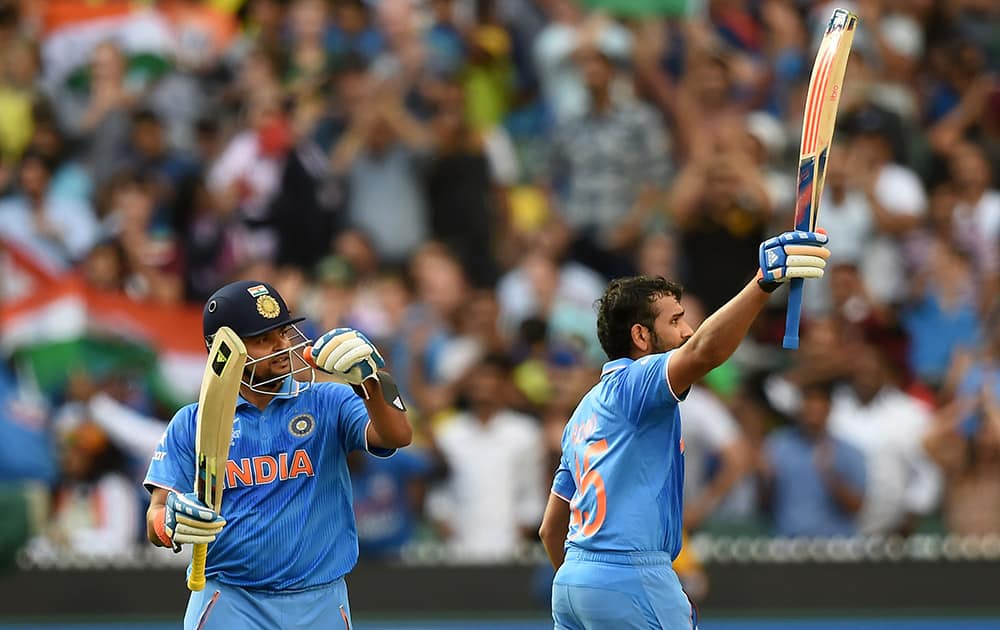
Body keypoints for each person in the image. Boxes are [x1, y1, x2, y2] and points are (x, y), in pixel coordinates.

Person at [537, 229, 830, 629]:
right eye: (675, 321)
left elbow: (551, 528)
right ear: (640, 336)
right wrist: (765, 281)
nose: (687, 330)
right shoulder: (637, 382)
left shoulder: (582, 413)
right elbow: (705, 351)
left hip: (573, 583)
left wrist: (587, 586)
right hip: (632, 572)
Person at [143, 280, 412, 629]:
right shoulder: (191, 422)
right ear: (225, 350)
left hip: (321, 600)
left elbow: (398, 435)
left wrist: (371, 381)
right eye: (263, 339)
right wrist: (170, 523)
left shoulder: (328, 400)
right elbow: (156, 515)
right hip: (231, 600)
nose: (282, 346)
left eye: (283, 332)